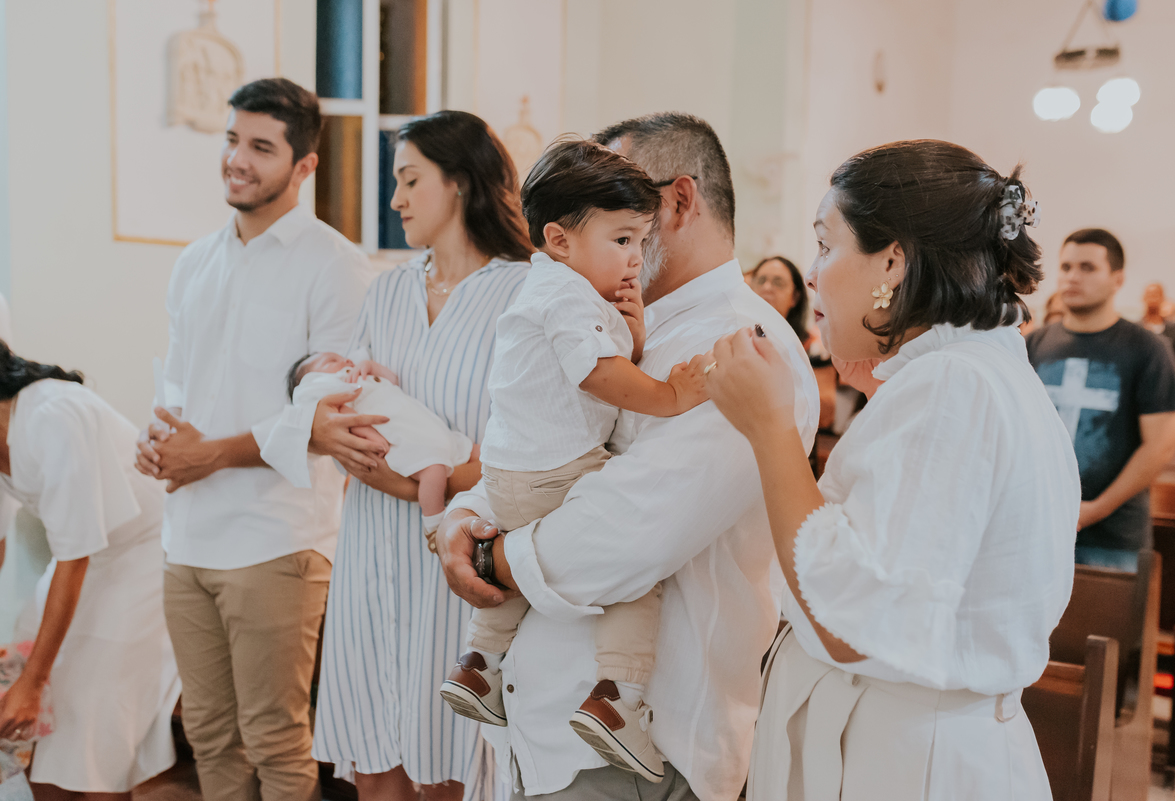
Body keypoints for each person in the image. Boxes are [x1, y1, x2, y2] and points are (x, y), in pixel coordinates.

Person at [435, 112, 821, 801]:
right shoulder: (597, 317)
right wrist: (466, 516)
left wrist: (492, 557)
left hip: (639, 750)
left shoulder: (739, 346)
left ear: (675, 201)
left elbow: (624, 534)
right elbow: (535, 438)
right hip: (544, 725)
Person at [703, 140, 1078, 800]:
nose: (813, 274)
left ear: (893, 260)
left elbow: (850, 624)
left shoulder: (952, 384)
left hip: (910, 764)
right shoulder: (964, 373)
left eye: (826, 243)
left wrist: (770, 427)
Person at [260, 110, 533, 801]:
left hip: (456, 543)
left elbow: (531, 443)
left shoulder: (525, 292)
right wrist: (327, 426)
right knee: (375, 759)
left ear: (462, 184)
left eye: (410, 180)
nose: (396, 200)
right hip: (370, 547)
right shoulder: (386, 292)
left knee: (448, 759)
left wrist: (418, 487)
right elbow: (345, 391)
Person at [438, 140, 708, 783]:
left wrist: (632, 335)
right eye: (621, 239)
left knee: (514, 555)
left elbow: (596, 361)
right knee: (638, 572)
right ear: (559, 240)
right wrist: (672, 394)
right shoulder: (563, 294)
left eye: (641, 240)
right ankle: (617, 697)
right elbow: (596, 375)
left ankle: (479, 666)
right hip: (559, 471)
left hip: (510, 476)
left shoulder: (557, 293)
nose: (635, 258)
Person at [133, 78, 371, 800]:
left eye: (261, 147)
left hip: (277, 536)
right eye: (233, 140)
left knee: (274, 734)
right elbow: (177, 385)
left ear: (304, 166)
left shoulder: (335, 264)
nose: (237, 159)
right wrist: (160, 436)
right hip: (188, 537)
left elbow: (327, 416)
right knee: (207, 730)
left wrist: (213, 453)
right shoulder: (194, 261)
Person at [0, 344, 180, 799]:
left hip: (143, 561)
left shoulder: (53, 414)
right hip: (82, 563)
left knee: (96, 729)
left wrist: (32, 681)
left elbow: (73, 556)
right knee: (41, 740)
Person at [1027, 229, 1175, 571]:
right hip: (1037, 526)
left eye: (1087, 267)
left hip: (1113, 537)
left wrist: (1093, 509)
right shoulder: (1035, 344)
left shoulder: (1148, 349)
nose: (1072, 277)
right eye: (1066, 267)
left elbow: (1160, 446)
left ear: (1117, 279)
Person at [274, 352, 476, 528]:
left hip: (429, 429)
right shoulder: (337, 394)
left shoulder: (363, 376)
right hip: (404, 440)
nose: (345, 359)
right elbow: (354, 422)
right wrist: (375, 439)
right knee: (432, 470)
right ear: (315, 381)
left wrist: (372, 367)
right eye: (331, 361)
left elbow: (393, 380)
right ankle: (434, 525)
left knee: (464, 451)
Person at [747, 256, 837, 429]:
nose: (767, 287)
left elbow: (825, 413)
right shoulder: (735, 336)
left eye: (778, 283)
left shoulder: (813, 347)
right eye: (761, 281)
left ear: (794, 297)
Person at [1142, 282, 1175, 405]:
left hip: (1169, 395)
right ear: (1143, 298)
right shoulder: (1135, 330)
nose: (1153, 298)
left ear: (1163, 298)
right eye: (1149, 295)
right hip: (1142, 394)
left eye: (1156, 295)